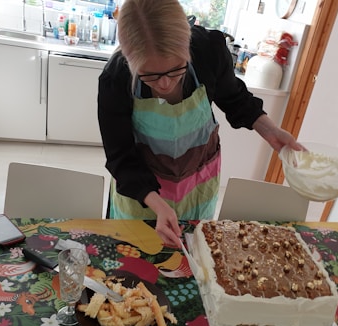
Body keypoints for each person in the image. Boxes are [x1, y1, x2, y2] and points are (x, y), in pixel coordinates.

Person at [97, 0, 303, 246]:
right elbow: (120, 157)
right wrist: (158, 205)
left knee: (194, 258)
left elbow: (236, 98)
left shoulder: (209, 51)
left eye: (175, 70)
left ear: (187, 48)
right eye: (149, 75)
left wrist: (271, 131)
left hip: (197, 187)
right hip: (141, 194)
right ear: (129, 60)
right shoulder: (115, 78)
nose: (164, 84)